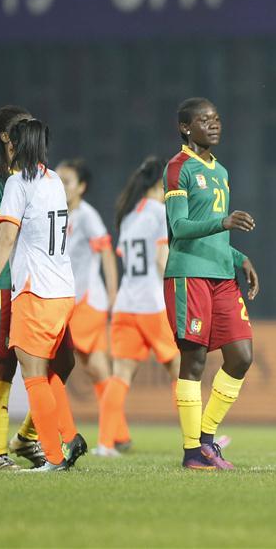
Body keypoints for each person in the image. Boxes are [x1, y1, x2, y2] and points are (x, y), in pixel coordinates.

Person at [0, 118, 86, 472]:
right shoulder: (53, 181)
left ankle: (54, 455)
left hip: (34, 291)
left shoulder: (18, 184)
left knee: (34, 375)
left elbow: (6, 239)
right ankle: (70, 434)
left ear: (15, 146)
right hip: (63, 291)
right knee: (49, 371)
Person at [164, 98, 259, 470]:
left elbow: (216, 234)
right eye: (205, 120)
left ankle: (205, 439)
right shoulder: (178, 168)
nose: (214, 125)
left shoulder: (220, 170)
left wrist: (240, 258)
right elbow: (180, 228)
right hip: (189, 274)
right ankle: (193, 453)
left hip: (222, 275)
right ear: (186, 128)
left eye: (217, 119)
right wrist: (223, 223)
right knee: (195, 360)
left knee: (241, 356)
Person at [0, 105, 53, 470]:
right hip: (5, 279)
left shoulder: (40, 175)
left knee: (57, 363)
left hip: (40, 280)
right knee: (4, 363)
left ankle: (26, 437)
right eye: (21, 127)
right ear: (7, 136)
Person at [95, 156, 180, 457]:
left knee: (120, 377)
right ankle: (198, 441)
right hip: (152, 304)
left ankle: (105, 444)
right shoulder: (161, 212)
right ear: (162, 183)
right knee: (182, 372)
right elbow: (161, 259)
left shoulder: (130, 216)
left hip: (125, 305)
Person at [58, 158, 119, 449]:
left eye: (66, 181)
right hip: (73, 301)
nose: (60, 186)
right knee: (98, 371)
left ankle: (49, 435)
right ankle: (116, 436)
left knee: (51, 367)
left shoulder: (86, 215)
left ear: (81, 187)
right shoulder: (57, 213)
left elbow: (106, 252)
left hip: (87, 302)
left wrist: (113, 293)